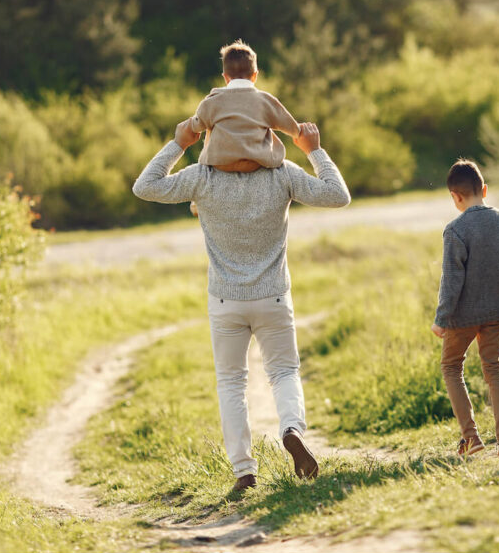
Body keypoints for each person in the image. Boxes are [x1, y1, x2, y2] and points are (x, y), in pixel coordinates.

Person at [132, 117, 350, 492]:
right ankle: (291, 429)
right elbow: (338, 195)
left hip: (225, 300)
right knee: (284, 372)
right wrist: (314, 150)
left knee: (231, 383)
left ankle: (244, 472)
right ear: (264, 135)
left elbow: (144, 187)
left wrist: (179, 144)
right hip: (274, 296)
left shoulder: (202, 177)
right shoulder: (282, 173)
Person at [431, 159, 499, 458]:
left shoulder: (455, 230)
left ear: (455, 197)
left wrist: (441, 319)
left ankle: (472, 438)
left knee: (451, 366)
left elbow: (451, 281)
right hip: (497, 311)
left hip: (462, 315)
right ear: (484, 190)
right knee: (494, 368)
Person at [186, 39, 302, 215]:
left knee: (211, 129)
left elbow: (196, 126)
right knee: (266, 129)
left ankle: (197, 201)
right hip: (256, 162)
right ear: (255, 75)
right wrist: (299, 132)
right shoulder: (266, 101)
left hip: (220, 163)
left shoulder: (213, 101)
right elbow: (291, 128)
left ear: (225, 77)